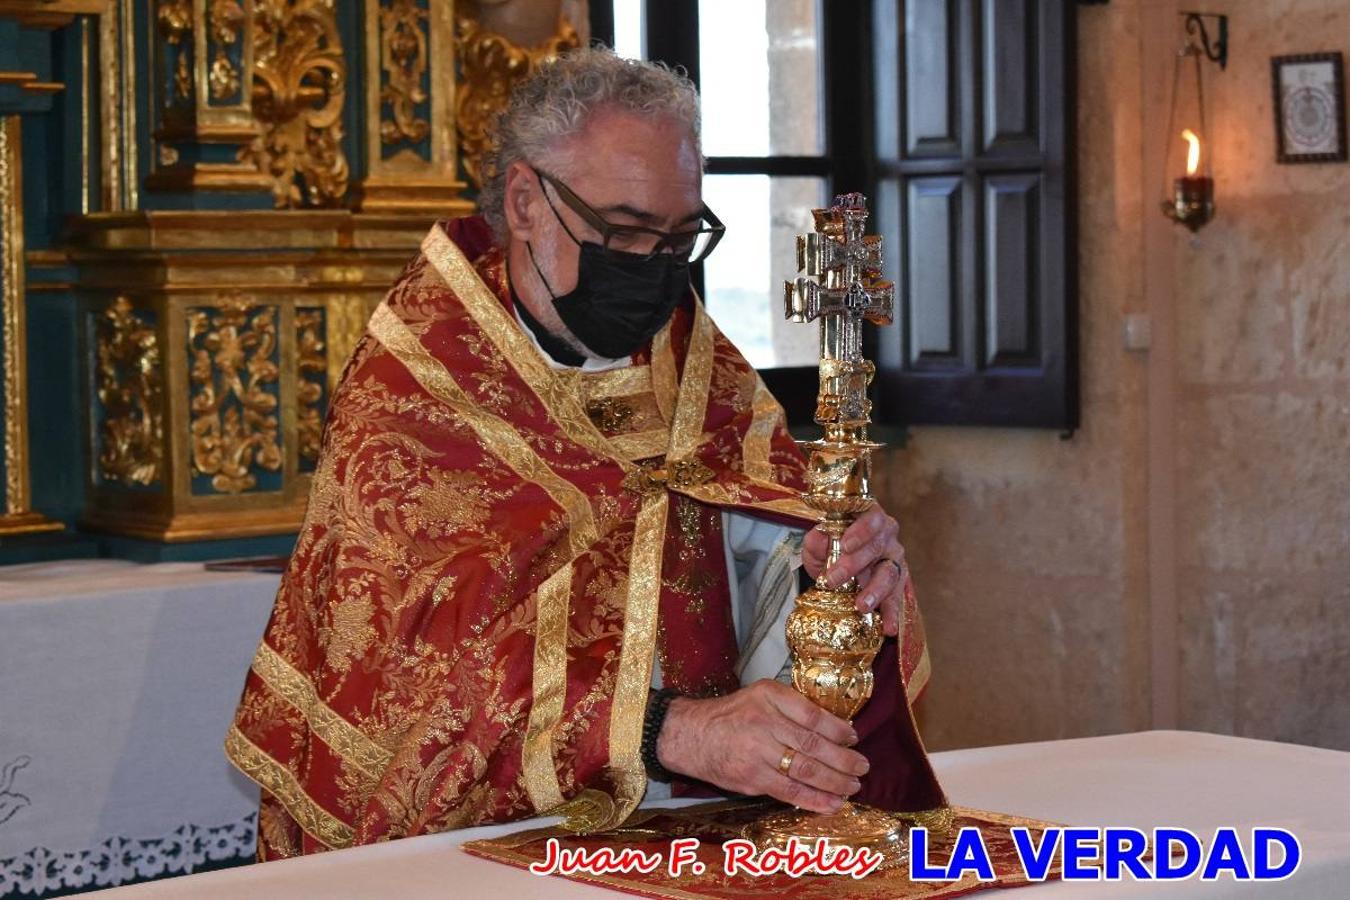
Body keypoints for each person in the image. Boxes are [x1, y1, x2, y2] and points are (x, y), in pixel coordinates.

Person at [226, 47, 944, 859]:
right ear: (526, 201)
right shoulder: (416, 386)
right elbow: (402, 687)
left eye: (678, 241)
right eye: (624, 232)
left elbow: (753, 538)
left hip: (694, 829)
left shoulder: (691, 358)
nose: (651, 271)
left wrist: (826, 568)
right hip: (478, 848)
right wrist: (665, 729)